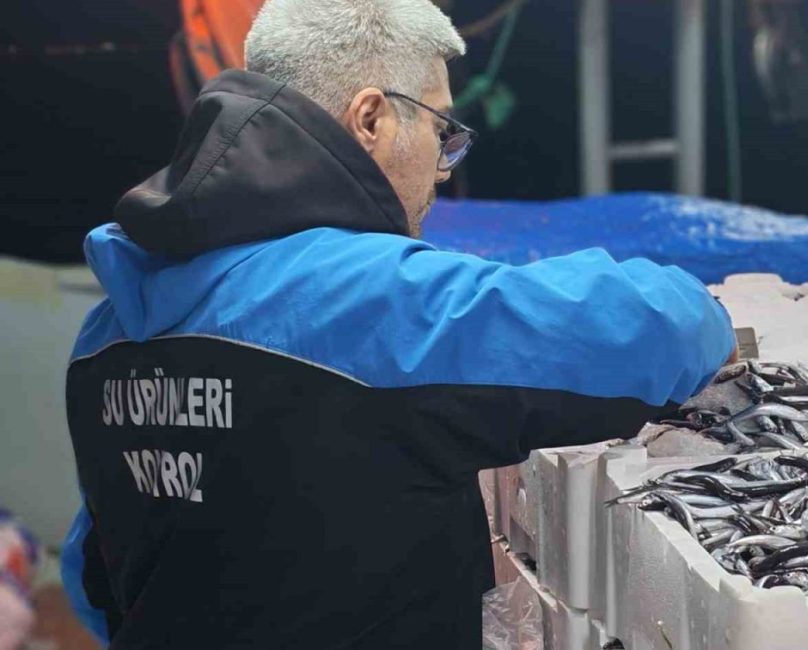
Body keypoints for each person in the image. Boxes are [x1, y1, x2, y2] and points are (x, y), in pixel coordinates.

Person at [60, 0, 736, 647]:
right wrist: (708, 311)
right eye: (441, 130)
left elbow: (91, 574)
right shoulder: (376, 301)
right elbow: (655, 330)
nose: (442, 170)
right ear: (372, 119)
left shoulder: (106, 331)